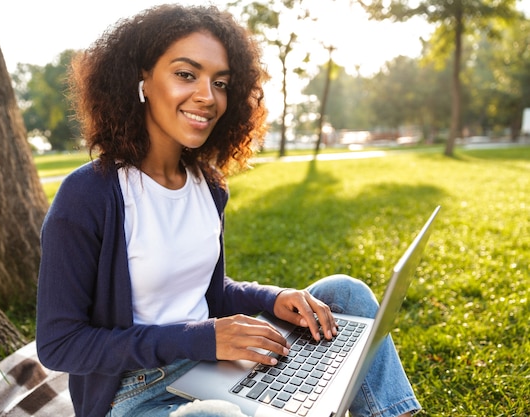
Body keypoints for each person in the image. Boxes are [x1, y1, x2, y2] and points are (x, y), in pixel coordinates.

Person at [35, 4, 421, 417]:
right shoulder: (90, 194)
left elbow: (205, 291)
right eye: (186, 74)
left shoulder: (208, 186)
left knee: (345, 295)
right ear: (141, 78)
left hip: (217, 364)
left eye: (220, 83)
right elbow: (60, 345)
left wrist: (271, 298)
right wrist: (202, 338)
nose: (207, 96)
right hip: (134, 391)